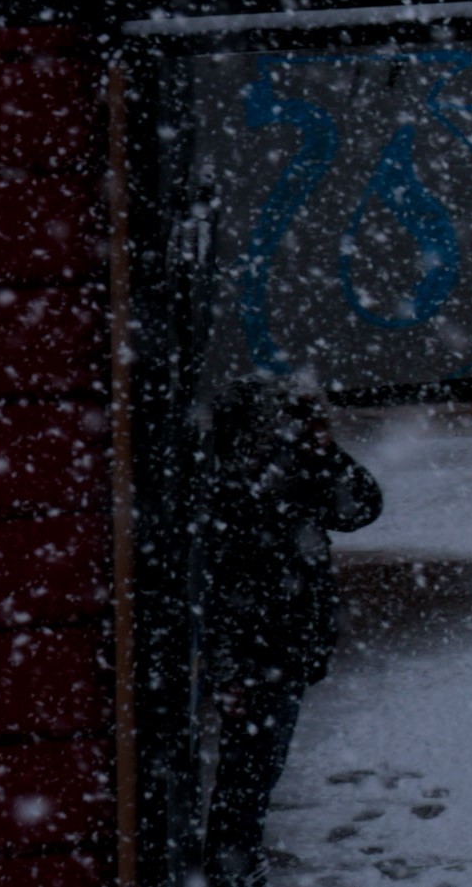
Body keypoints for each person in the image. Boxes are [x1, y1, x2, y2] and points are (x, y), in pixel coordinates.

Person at [199, 371, 381, 886]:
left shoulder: (296, 469)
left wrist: (327, 454)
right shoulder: (230, 484)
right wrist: (226, 666)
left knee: (255, 771)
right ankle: (232, 868)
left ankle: (235, 860)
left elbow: (362, 508)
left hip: (284, 648)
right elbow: (213, 587)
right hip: (260, 652)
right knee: (247, 773)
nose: (313, 427)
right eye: (302, 417)